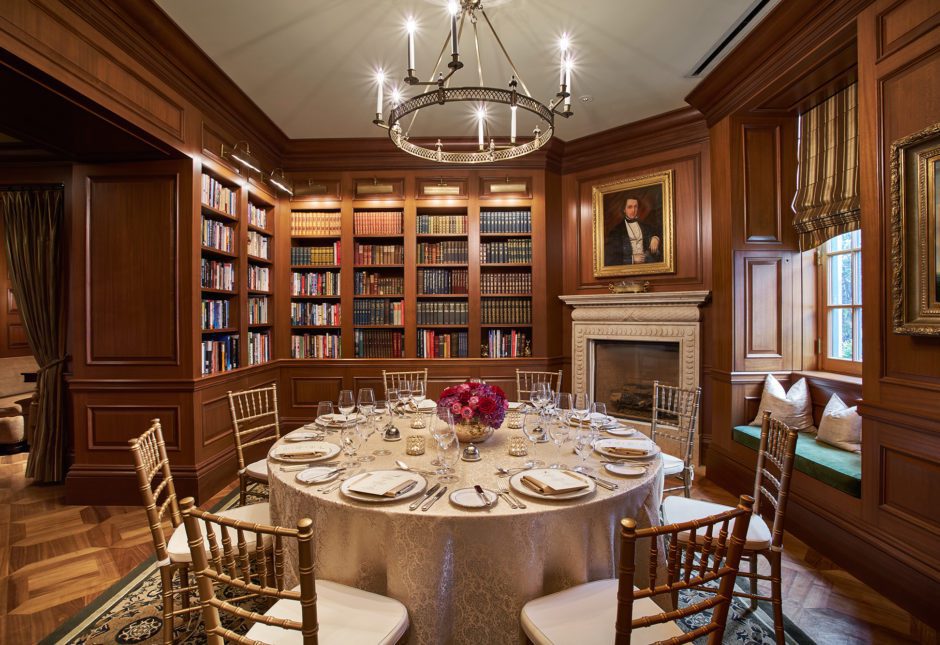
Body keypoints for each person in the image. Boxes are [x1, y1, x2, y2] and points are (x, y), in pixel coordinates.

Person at [603, 197, 662, 265]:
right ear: (624, 209)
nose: (633, 210)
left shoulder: (645, 226)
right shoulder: (616, 231)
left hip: (648, 266)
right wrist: (631, 259)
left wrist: (655, 238)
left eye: (635, 207)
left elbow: (656, 231)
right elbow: (610, 258)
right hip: (628, 269)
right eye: (630, 207)